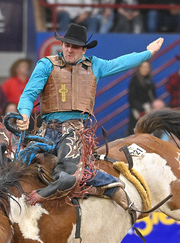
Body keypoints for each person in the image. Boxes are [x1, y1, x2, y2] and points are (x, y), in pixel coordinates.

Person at [16, 23, 163, 219]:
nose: (69, 50)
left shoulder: (95, 66)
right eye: (66, 45)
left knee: (70, 172)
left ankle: (99, 188)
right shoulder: (46, 64)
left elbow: (121, 62)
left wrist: (147, 54)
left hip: (75, 133)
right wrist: (25, 113)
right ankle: (105, 187)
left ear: (84, 50)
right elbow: (29, 93)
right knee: (16, 163)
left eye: (75, 47)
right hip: (47, 131)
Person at [127, 60, 156, 135]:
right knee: (134, 131)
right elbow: (131, 98)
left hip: (148, 110)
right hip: (137, 111)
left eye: (147, 67)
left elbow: (153, 96)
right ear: (139, 68)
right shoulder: (134, 80)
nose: (145, 69)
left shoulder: (149, 81)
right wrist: (141, 109)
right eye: (143, 67)